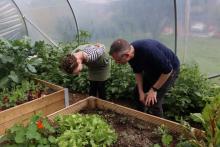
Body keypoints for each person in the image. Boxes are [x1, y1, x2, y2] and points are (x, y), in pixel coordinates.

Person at [109, 38, 180, 117]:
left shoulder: (149, 51)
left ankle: (159, 127)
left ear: (127, 55)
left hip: (170, 70)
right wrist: (141, 92)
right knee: (137, 94)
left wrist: (154, 89)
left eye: (118, 60)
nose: (117, 63)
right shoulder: (130, 54)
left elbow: (167, 71)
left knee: (153, 101)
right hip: (153, 70)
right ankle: (140, 117)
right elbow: (138, 72)